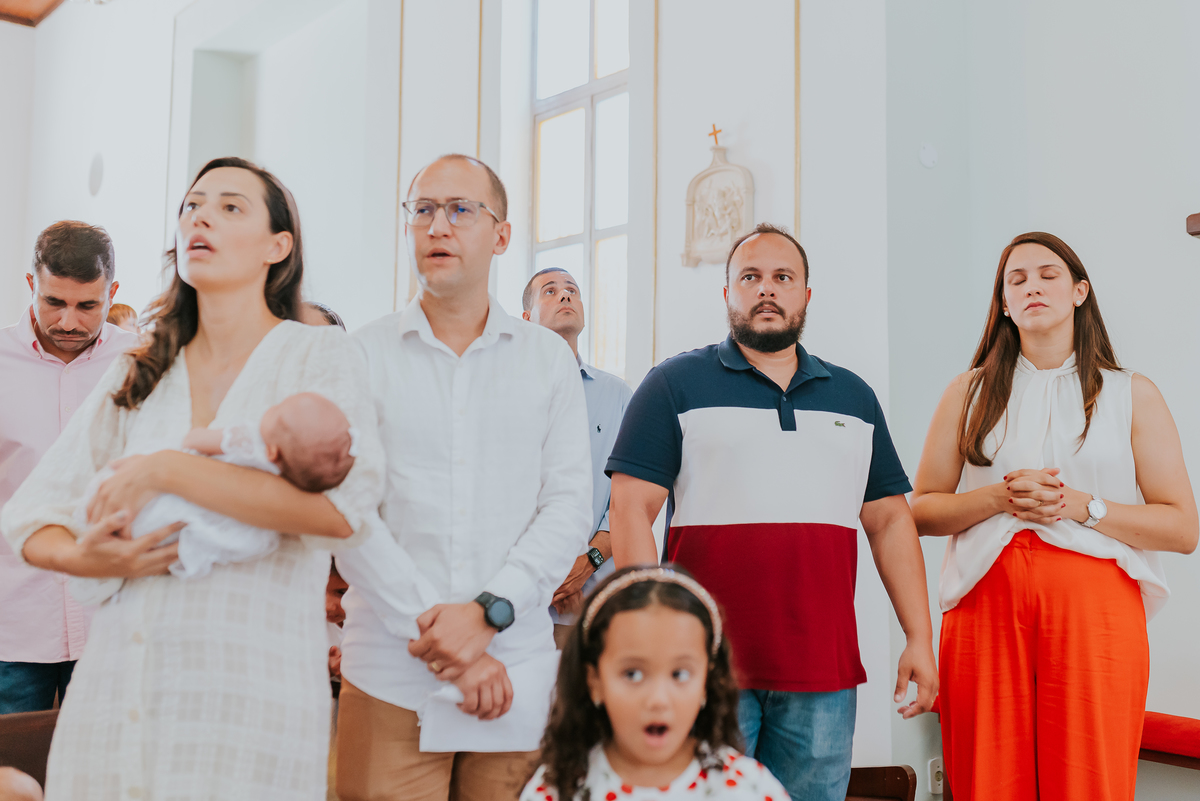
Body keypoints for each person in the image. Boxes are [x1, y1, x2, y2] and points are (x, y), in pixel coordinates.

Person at [0, 156, 384, 801]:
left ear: (277, 245)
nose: (200, 215)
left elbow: (346, 512)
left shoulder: (317, 354)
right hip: (120, 688)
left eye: (230, 205)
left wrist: (169, 468)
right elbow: (30, 515)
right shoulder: (143, 366)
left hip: (250, 694)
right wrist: (87, 556)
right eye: (191, 205)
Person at [606, 223, 937, 801]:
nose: (767, 289)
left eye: (783, 277)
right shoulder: (672, 385)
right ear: (727, 293)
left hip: (823, 673)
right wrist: (649, 636)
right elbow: (631, 509)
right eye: (750, 277)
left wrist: (919, 635)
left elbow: (889, 522)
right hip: (703, 668)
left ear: (806, 294)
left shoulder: (853, 398)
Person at [333, 154, 592, 801]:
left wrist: (488, 613)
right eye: (422, 210)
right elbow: (348, 511)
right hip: (391, 670)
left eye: (459, 210)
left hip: (516, 666)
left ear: (501, 235)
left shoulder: (545, 361)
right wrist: (440, 630)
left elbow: (566, 504)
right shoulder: (361, 354)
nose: (437, 226)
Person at [910, 232, 1198, 801]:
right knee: (987, 777)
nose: (1031, 286)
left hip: (1097, 610)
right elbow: (920, 510)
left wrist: (1083, 507)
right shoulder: (967, 393)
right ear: (1004, 303)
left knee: (1089, 775)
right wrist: (998, 499)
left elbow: (1183, 529)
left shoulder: (1131, 394)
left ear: (1079, 292)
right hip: (983, 607)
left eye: (1047, 274)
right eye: (1015, 280)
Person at [0, 220, 139, 714]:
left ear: (113, 293)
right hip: (13, 624)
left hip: (112, 621)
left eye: (88, 306)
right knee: (12, 776)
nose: (69, 322)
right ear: (31, 285)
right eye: (54, 302)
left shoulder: (140, 364)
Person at [522, 566, 790, 800]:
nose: (658, 699)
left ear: (707, 683)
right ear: (594, 681)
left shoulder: (750, 790)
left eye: (680, 674)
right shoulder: (557, 789)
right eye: (632, 675)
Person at [68, 391, 359, 605]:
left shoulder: (251, 440)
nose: (271, 409)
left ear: (272, 452)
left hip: (155, 499)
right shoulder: (284, 490)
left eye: (278, 411)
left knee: (118, 490)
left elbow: (195, 439)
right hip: (206, 529)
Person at [521, 267, 633, 648]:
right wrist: (550, 571)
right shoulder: (507, 393)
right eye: (549, 291)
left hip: (596, 596)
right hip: (525, 597)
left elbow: (626, 496)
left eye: (572, 290)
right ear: (526, 318)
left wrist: (587, 563)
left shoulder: (617, 395)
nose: (565, 295)